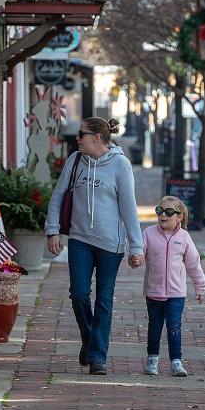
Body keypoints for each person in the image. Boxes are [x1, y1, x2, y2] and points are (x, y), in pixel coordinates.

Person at [45, 117, 144, 375]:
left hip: (110, 244)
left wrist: (137, 247)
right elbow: (57, 199)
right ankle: (90, 341)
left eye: (81, 134)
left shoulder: (121, 165)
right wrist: (52, 231)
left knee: (104, 299)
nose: (77, 139)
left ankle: (97, 357)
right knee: (78, 293)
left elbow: (129, 209)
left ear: (97, 138)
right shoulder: (75, 161)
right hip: (79, 240)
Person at [137, 195, 205, 377]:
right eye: (160, 211)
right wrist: (135, 259)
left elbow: (193, 264)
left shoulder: (184, 237)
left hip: (176, 294)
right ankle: (152, 359)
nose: (163, 216)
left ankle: (176, 361)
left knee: (174, 326)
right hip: (153, 291)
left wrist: (200, 287)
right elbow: (139, 253)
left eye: (169, 212)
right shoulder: (148, 233)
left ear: (179, 217)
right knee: (154, 326)